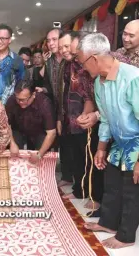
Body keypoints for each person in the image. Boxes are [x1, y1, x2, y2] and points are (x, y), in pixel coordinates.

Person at [78, 33, 139, 249]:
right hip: (118, 140)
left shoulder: (132, 77)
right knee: (111, 183)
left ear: (93, 59)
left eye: (82, 62)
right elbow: (104, 118)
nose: (82, 68)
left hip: (136, 142)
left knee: (131, 190)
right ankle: (109, 223)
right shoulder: (98, 83)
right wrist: (101, 148)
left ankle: (126, 236)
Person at [57, 31, 96, 200]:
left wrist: (86, 114)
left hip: (88, 118)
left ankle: (91, 194)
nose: (65, 51)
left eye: (67, 46)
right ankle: (79, 190)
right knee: (77, 158)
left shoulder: (86, 64)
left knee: (90, 159)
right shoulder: (67, 65)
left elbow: (90, 95)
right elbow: (63, 94)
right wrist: (61, 117)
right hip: (71, 120)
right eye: (61, 48)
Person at [6, 79, 56, 164]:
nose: (20, 102)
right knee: (13, 150)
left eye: (24, 99)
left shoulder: (44, 103)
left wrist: (39, 154)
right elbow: (6, 125)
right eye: (18, 99)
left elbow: (51, 133)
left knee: (40, 154)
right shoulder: (12, 100)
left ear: (33, 95)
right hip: (18, 130)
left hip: (39, 131)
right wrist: (12, 143)